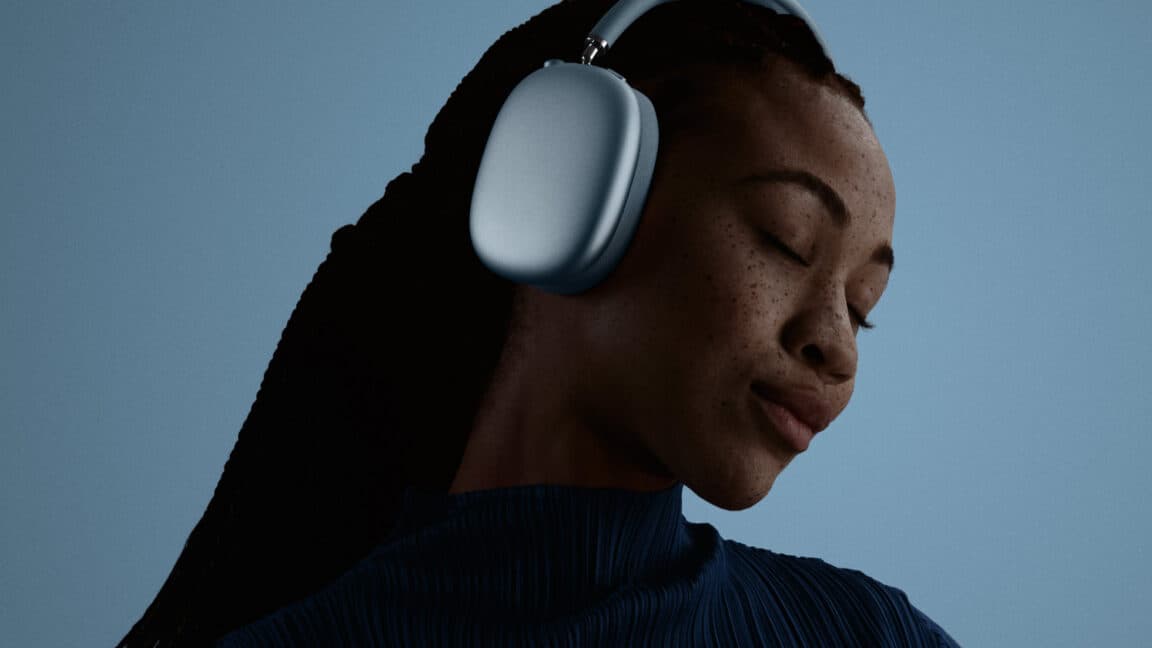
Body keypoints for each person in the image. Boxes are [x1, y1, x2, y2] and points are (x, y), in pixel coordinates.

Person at [119, 0, 961, 645]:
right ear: (564, 194)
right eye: (785, 238)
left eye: (864, 308)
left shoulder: (864, 634)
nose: (838, 348)